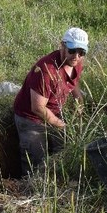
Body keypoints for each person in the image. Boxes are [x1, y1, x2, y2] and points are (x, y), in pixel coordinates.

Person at [12, 27, 88, 176]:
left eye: (81, 52)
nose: (76, 56)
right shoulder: (46, 71)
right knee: (36, 161)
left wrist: (79, 99)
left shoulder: (76, 62)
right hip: (31, 118)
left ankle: (59, 181)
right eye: (72, 50)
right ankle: (31, 190)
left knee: (65, 149)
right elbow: (38, 108)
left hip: (54, 112)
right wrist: (61, 125)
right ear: (63, 46)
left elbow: (74, 81)